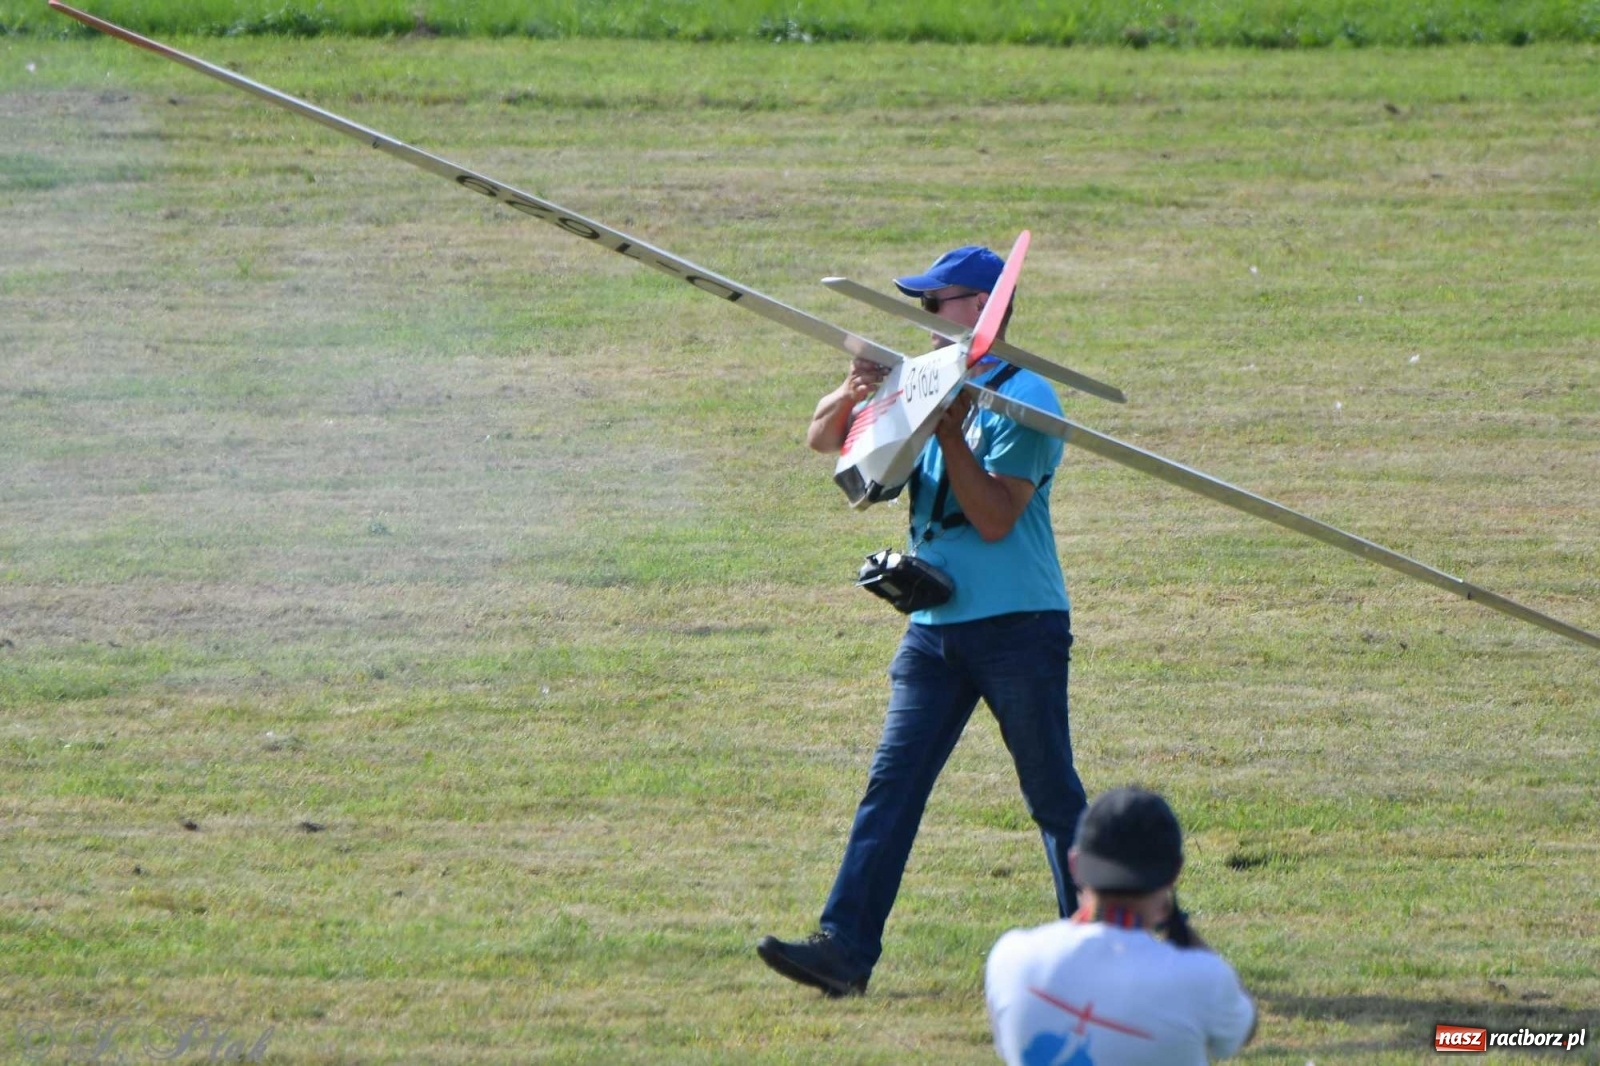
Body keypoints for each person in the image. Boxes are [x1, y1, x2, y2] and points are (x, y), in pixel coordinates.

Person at [757, 244, 1087, 997]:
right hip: (935, 627)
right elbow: (823, 441)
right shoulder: (925, 377)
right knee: (892, 785)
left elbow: (997, 517)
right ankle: (844, 950)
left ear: (981, 308)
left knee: (1052, 797)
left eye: (935, 304)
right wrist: (853, 393)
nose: (924, 317)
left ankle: (1106, 950)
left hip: (1019, 627)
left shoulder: (1031, 399)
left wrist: (947, 431)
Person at [985, 787, 1257, 1065]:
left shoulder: (1012, 958)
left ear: (1074, 864)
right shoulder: (1202, 980)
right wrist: (1180, 928)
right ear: (1174, 872)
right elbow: (1242, 1029)